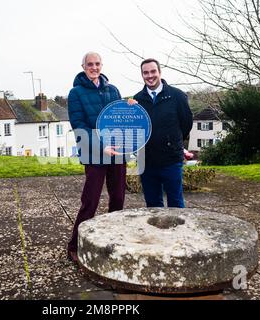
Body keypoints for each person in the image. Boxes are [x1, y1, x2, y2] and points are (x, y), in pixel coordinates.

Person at [67, 52, 126, 263]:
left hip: (117, 154)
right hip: (94, 154)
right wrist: (102, 147)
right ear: (83, 66)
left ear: (102, 65)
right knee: (90, 201)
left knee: (118, 198)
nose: (94, 67)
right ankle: (74, 246)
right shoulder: (76, 93)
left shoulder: (113, 90)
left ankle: (112, 241)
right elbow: (79, 126)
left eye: (97, 63)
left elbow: (122, 120)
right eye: (90, 64)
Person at [133, 58, 193, 208]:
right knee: (153, 206)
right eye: (145, 73)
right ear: (142, 75)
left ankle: (179, 232)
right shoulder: (137, 100)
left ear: (159, 72)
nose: (150, 75)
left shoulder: (177, 96)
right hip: (147, 161)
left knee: (176, 204)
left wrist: (172, 141)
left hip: (171, 160)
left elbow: (186, 123)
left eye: (153, 71)